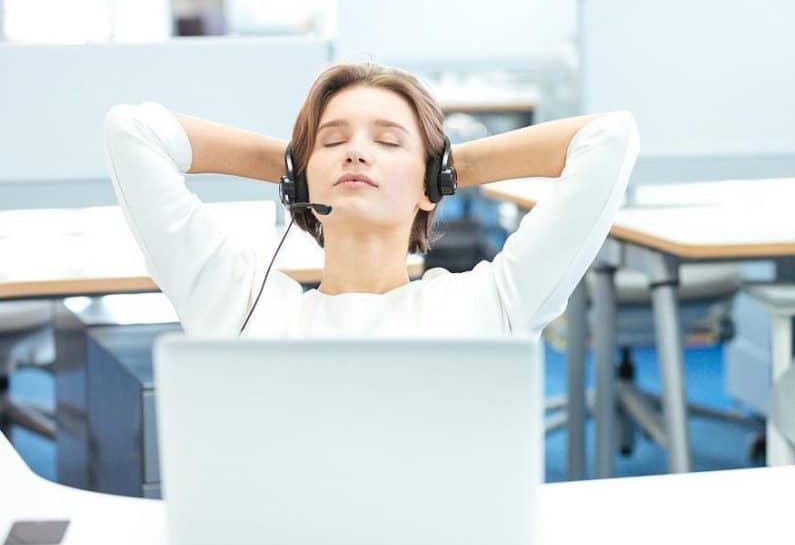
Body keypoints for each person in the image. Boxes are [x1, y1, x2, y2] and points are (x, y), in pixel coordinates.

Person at [103, 62, 638, 337]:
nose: (356, 153)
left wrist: (444, 172)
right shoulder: (241, 304)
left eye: (387, 142)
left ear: (430, 184)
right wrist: (294, 167)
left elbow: (608, 139)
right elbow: (134, 132)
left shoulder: (488, 303)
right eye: (334, 141)